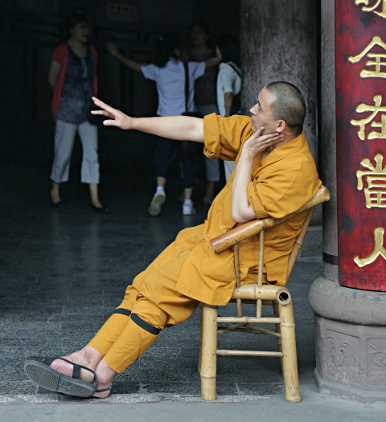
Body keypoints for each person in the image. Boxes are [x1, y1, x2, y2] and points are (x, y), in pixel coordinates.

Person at [24, 81, 322, 399]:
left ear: (279, 125)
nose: (251, 109)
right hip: (216, 238)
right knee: (142, 285)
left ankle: (103, 376)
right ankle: (88, 356)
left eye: (259, 107)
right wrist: (133, 122)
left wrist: (247, 155)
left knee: (159, 295)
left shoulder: (296, 167)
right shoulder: (257, 132)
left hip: (245, 259)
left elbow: (241, 211)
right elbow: (194, 128)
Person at [106, 35, 222, 216]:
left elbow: (133, 66)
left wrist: (116, 54)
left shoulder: (157, 69)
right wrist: (216, 47)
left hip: (163, 123)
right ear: (177, 51)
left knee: (162, 158)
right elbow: (214, 61)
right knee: (188, 160)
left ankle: (160, 190)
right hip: (185, 123)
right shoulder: (188, 67)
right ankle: (187, 202)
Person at [48, 11, 108, 213]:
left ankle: (94, 196)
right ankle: (55, 190)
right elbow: (52, 79)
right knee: (63, 152)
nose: (85, 31)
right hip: (67, 109)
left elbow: (93, 78)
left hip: (87, 110)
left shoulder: (91, 51)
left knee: (92, 152)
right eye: (81, 27)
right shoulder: (62, 50)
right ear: (71, 30)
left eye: (86, 27)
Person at [184, 22, 221, 205]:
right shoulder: (186, 56)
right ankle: (188, 189)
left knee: (212, 148)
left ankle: (210, 190)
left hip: (211, 103)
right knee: (189, 150)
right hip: (191, 105)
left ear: (207, 36)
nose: (195, 35)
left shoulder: (213, 55)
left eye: (199, 32)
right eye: (193, 32)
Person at [216, 36, 242, 181]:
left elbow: (228, 93)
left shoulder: (225, 68)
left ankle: (232, 200)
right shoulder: (236, 67)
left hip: (229, 120)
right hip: (237, 117)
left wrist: (225, 117)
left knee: (230, 163)